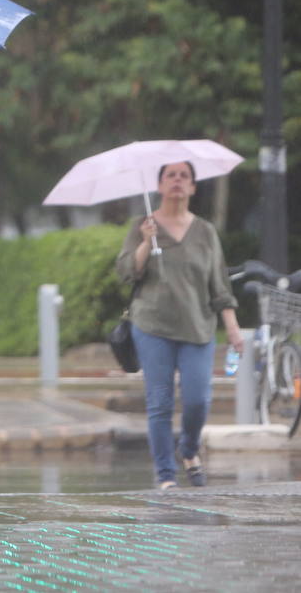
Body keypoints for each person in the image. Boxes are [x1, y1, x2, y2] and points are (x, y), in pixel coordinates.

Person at [115, 161, 243, 490]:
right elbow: (127, 272)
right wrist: (145, 242)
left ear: (193, 187)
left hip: (199, 326)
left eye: (184, 176)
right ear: (159, 186)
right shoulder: (143, 224)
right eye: (170, 176)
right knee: (159, 401)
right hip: (152, 325)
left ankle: (188, 449)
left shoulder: (205, 231)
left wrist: (231, 326)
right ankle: (166, 476)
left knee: (198, 400)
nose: (177, 181)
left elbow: (219, 284)